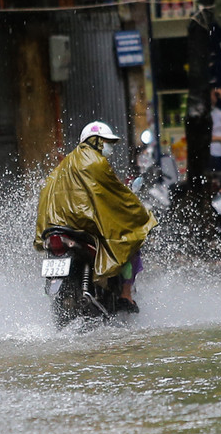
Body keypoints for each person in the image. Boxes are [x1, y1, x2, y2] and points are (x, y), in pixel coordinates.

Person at [34, 121, 157, 313]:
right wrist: (140, 214)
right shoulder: (96, 162)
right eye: (107, 142)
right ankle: (126, 294)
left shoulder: (63, 165)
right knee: (130, 238)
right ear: (96, 141)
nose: (110, 148)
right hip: (83, 227)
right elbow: (116, 195)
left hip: (56, 229)